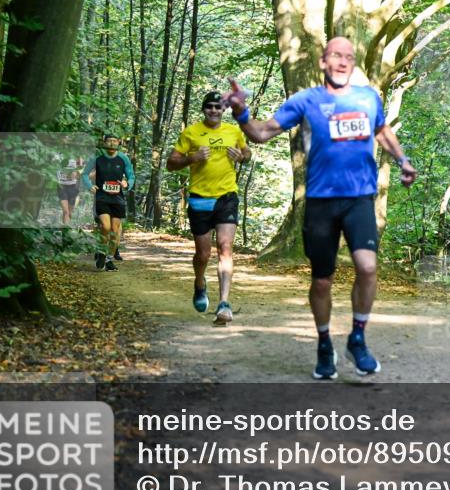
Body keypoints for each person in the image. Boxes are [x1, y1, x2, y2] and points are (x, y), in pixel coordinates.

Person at [225, 36, 417, 379]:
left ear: (352, 64)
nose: (342, 61)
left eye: (348, 56)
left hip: (359, 197)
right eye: (335, 56)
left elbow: (383, 131)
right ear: (323, 63)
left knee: (367, 267)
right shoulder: (306, 101)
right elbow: (261, 133)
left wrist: (402, 159)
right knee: (322, 280)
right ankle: (325, 342)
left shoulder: (367, 97)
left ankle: (357, 337)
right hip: (321, 202)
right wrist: (241, 111)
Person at [167, 91, 251, 325]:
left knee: (225, 248)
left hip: (226, 196)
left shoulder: (233, 131)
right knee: (203, 254)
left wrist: (241, 157)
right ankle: (199, 281)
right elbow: (170, 163)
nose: (214, 110)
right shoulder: (191, 133)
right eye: (209, 107)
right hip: (200, 199)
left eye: (218, 107)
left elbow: (247, 152)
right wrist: (190, 158)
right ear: (204, 109)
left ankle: (224, 303)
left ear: (224, 110)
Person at [82, 134, 134, 271]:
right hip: (102, 197)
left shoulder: (123, 158)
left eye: (114, 141)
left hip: (117, 198)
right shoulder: (97, 158)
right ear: (104, 143)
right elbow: (84, 174)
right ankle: (101, 252)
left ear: (118, 143)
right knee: (105, 226)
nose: (111, 143)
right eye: (109, 141)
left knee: (115, 230)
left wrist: (126, 183)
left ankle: (109, 259)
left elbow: (131, 175)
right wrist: (89, 186)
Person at [56, 155, 84, 225]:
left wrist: (77, 173)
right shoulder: (56, 155)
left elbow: (81, 171)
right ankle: (65, 231)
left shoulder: (76, 156)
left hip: (73, 187)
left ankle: (65, 228)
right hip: (61, 186)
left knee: (69, 213)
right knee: (66, 211)